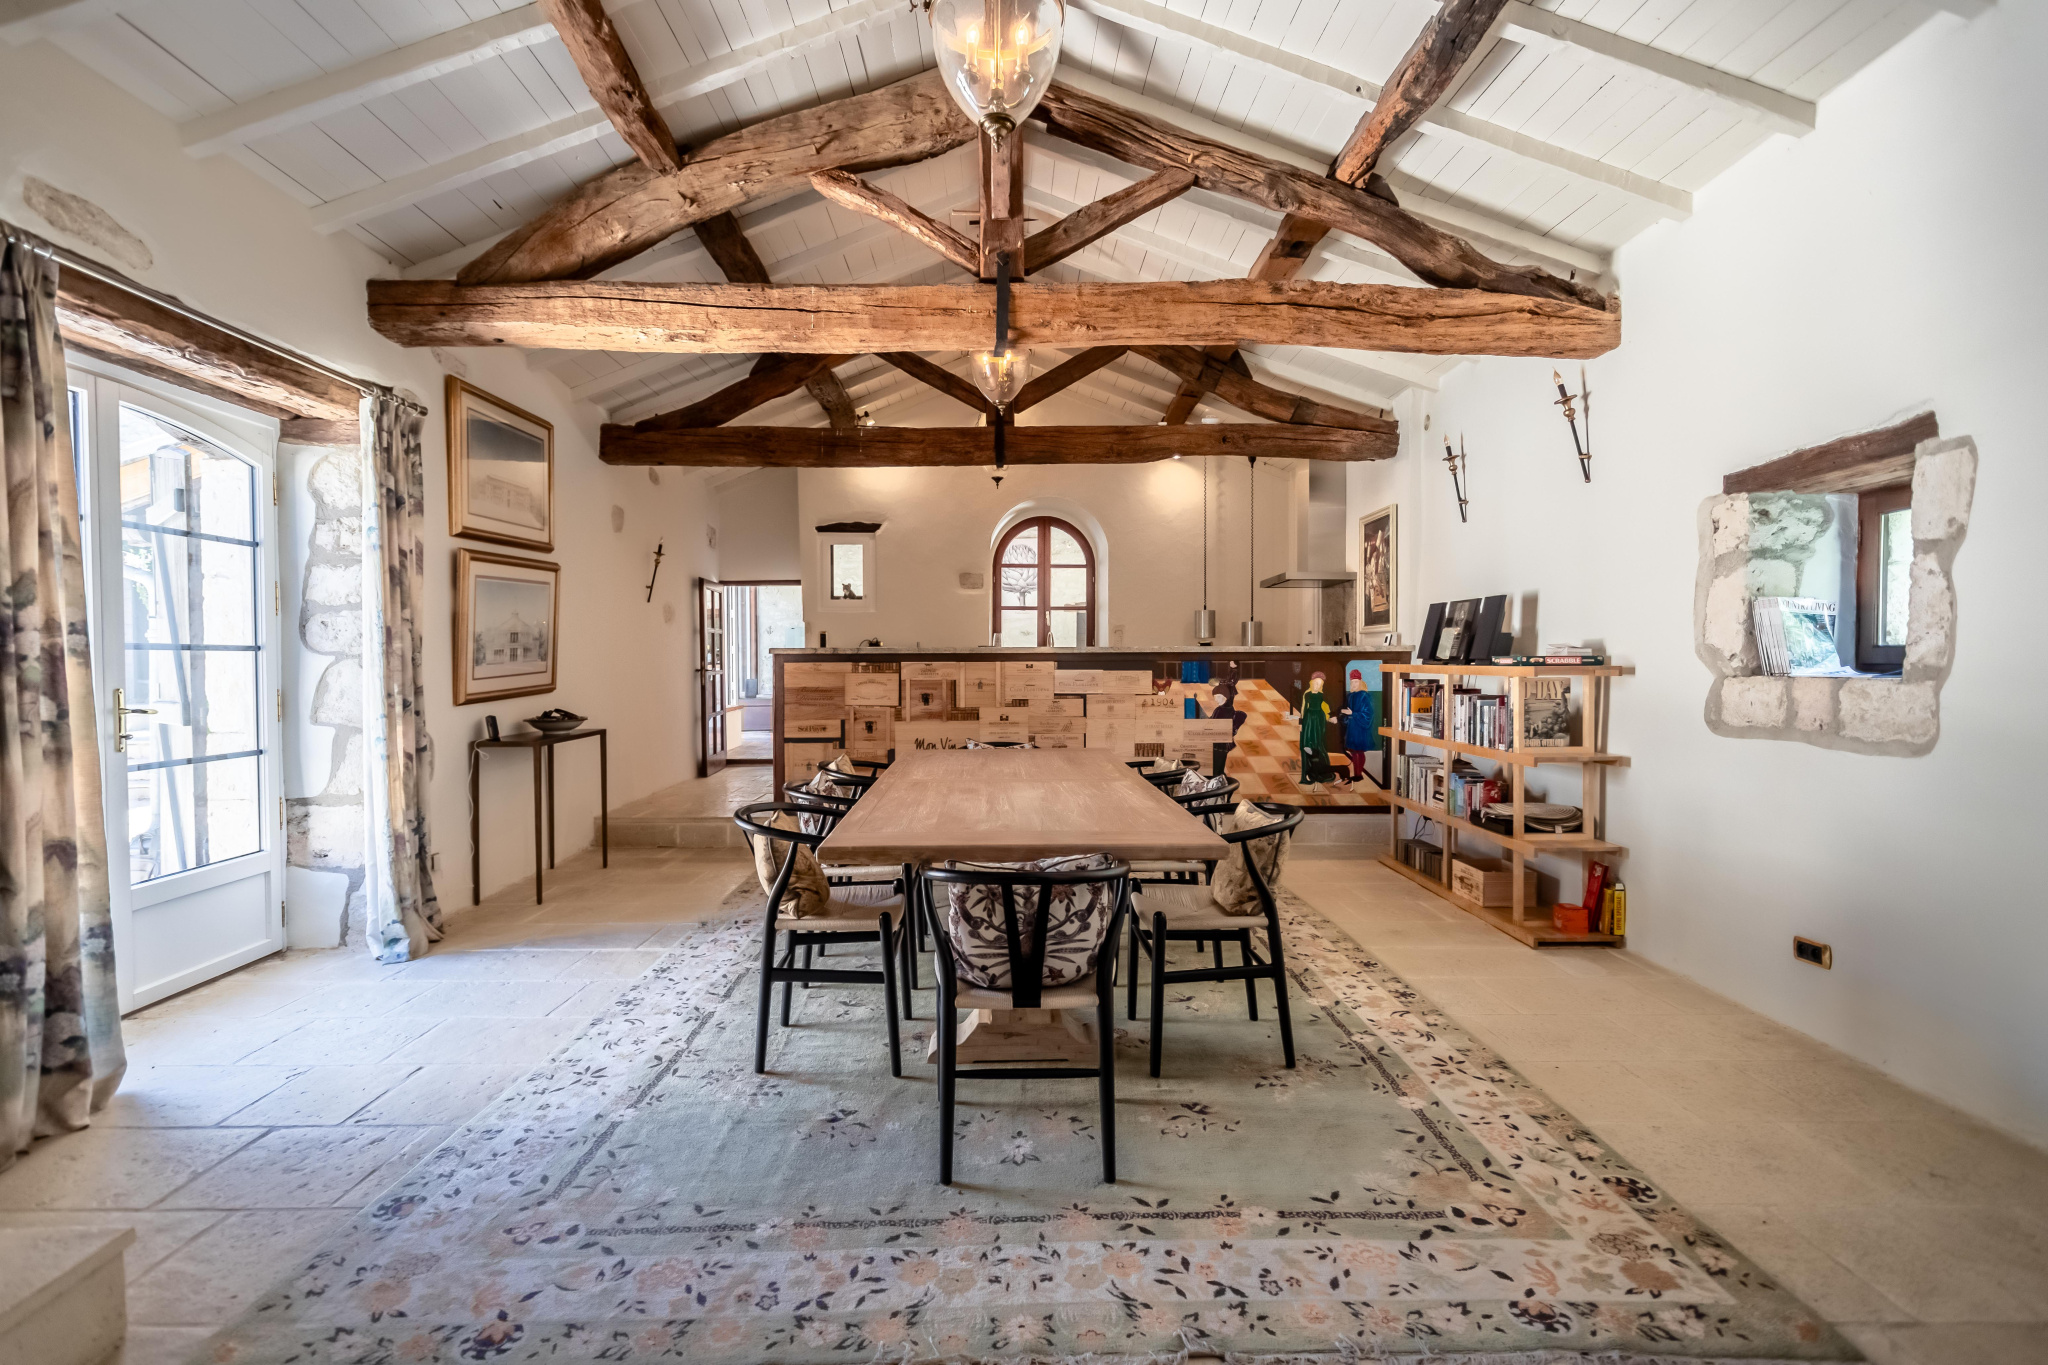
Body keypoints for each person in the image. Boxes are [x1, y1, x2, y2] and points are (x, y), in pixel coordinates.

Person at [1298, 672, 1340, 788]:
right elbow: (1303, 709)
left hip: (1319, 721)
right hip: (1308, 720)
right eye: (1316, 683)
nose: (1317, 686)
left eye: (1320, 684)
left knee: (1318, 744)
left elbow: (1330, 705)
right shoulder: (1307, 694)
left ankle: (1320, 771)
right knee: (1306, 745)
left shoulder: (1322, 695)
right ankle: (1307, 773)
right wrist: (1301, 723)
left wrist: (1333, 716)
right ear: (1312, 682)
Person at [1339, 667, 1376, 783]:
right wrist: (1344, 715)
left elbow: (1368, 713)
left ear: (1360, 682)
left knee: (1358, 751)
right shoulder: (1350, 696)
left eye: (1356, 682)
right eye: (1352, 682)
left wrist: (1352, 714)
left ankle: (1358, 774)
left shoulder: (1365, 696)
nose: (1354, 684)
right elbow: (1348, 712)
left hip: (1360, 728)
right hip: (1352, 728)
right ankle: (1357, 774)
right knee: (1354, 752)